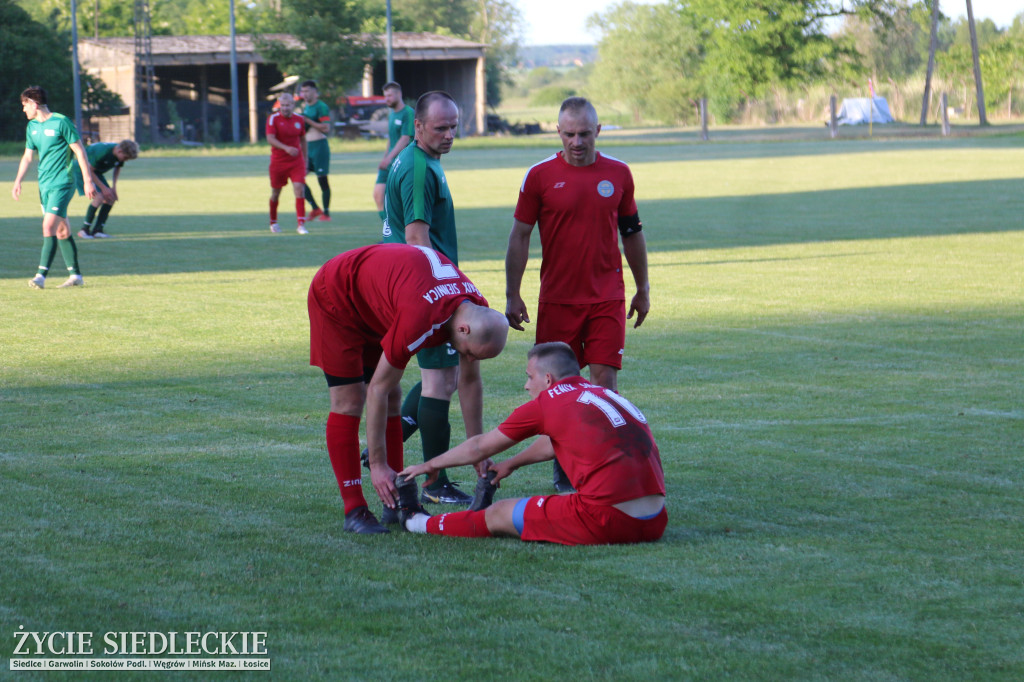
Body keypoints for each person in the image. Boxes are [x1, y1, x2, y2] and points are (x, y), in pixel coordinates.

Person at [307, 243, 509, 534]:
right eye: (472, 353)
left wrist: (478, 447)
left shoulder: (474, 308)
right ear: (463, 330)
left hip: (376, 300)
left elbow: (469, 381)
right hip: (337, 294)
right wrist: (377, 464)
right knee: (350, 400)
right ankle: (355, 509)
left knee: (394, 396)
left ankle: (397, 502)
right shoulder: (422, 318)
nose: (470, 360)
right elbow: (376, 389)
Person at [505, 96, 651, 492]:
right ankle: (566, 477)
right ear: (558, 132)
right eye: (569, 134)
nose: (577, 142)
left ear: (598, 131)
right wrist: (512, 294)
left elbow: (632, 233)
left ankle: (606, 471)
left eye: (585, 133)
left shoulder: (618, 174)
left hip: (607, 297)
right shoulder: (538, 176)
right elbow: (520, 235)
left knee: (604, 386)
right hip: (557, 300)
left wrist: (643, 288)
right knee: (559, 393)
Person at [395, 341, 667, 545]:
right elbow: (554, 443)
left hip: (608, 521)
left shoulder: (549, 401)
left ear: (548, 379)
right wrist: (511, 464)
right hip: (656, 520)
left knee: (499, 513)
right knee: (563, 500)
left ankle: (416, 522)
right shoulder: (601, 392)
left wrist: (429, 464)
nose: (526, 385)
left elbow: (480, 447)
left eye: (529, 376)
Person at [382, 90, 473, 505]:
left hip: (411, 284)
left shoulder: (416, 160)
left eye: (454, 126)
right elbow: (416, 238)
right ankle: (435, 482)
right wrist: (440, 291)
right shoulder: (419, 168)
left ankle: (384, 445)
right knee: (440, 379)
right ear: (417, 126)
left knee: (444, 376)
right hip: (426, 287)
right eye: (441, 127)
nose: (450, 134)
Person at [12, 86, 98, 289]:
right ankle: (76, 276)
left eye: (24, 105)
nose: (23, 110)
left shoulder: (61, 122)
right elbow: (27, 157)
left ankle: (40, 276)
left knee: (48, 226)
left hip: (63, 183)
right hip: (45, 185)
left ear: (33, 103)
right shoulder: (32, 127)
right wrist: (18, 180)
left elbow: (80, 151)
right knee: (61, 230)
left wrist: (87, 180)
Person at [75, 139, 140, 239]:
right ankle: (84, 230)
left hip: (95, 172)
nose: (125, 160)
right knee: (100, 196)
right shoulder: (103, 152)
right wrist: (104, 188)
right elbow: (90, 171)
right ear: (119, 151)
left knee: (111, 197)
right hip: (82, 170)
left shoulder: (119, 154)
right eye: (125, 158)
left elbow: (117, 167)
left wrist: (114, 188)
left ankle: (98, 230)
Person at [266, 92, 308, 234]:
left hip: (296, 162)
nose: (285, 108)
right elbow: (270, 138)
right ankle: (273, 222)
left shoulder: (299, 120)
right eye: (282, 105)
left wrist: (306, 160)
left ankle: (301, 224)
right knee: (276, 193)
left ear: (293, 105)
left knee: (299, 189)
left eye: (288, 105)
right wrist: (286, 148)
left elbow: (303, 140)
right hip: (278, 162)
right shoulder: (273, 119)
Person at [372, 81, 414, 224]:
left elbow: (405, 138)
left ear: (399, 94)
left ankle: (400, 234)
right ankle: (388, 231)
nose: (387, 99)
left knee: (400, 201)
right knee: (378, 195)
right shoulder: (392, 115)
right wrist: (385, 158)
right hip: (389, 161)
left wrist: (389, 158)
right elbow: (391, 139)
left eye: (389, 96)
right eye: (385, 96)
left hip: (402, 161)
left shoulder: (408, 112)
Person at [298, 80, 332, 223]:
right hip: (307, 148)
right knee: (299, 179)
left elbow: (326, 128)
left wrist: (308, 120)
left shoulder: (321, 106)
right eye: (303, 91)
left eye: (307, 91)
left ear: (314, 92)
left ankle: (326, 213)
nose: (304, 94)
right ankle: (314, 208)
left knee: (322, 180)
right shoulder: (305, 107)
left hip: (319, 147)